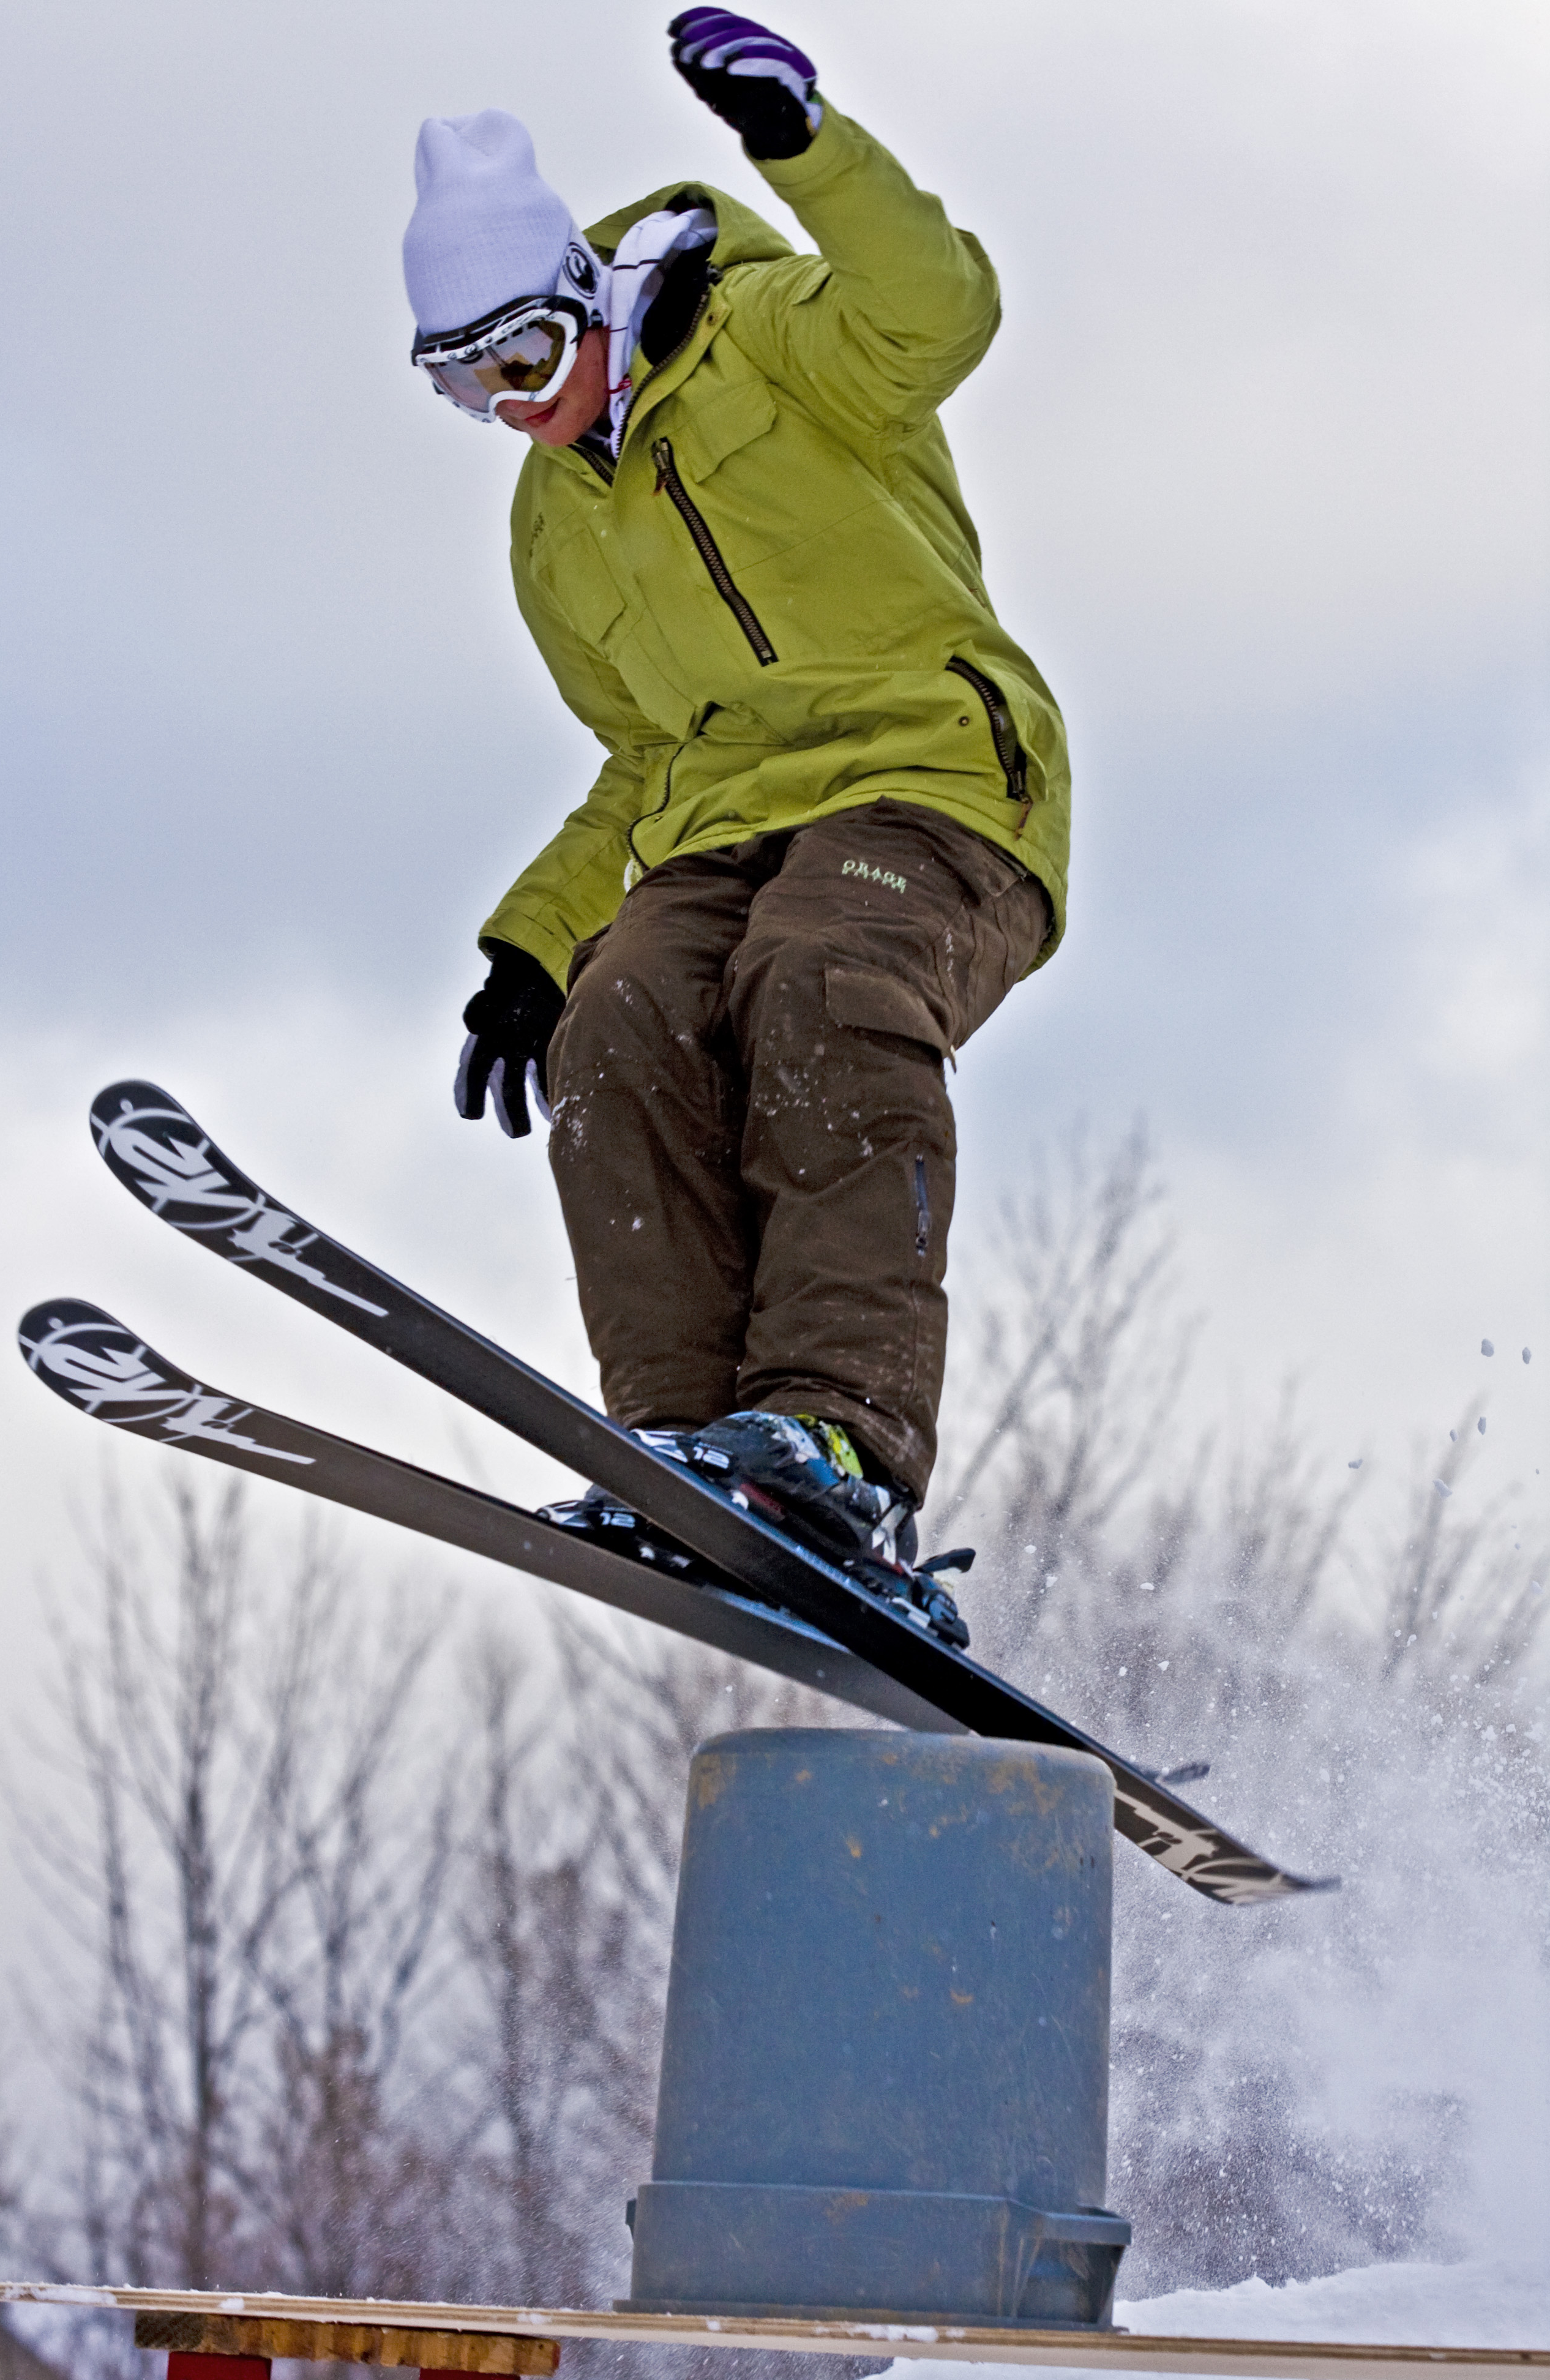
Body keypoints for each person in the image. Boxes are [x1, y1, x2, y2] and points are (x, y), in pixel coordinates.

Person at [402, 9, 1071, 1647]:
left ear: (588, 304)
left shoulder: (774, 334)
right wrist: (532, 946)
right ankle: (697, 1453)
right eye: (464, 384)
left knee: (821, 976)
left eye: (525, 361)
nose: (512, 410)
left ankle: (835, 1432)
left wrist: (801, 140)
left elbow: (941, 310)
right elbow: (638, 758)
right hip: (720, 821)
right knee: (625, 1015)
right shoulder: (553, 531)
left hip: (931, 779)